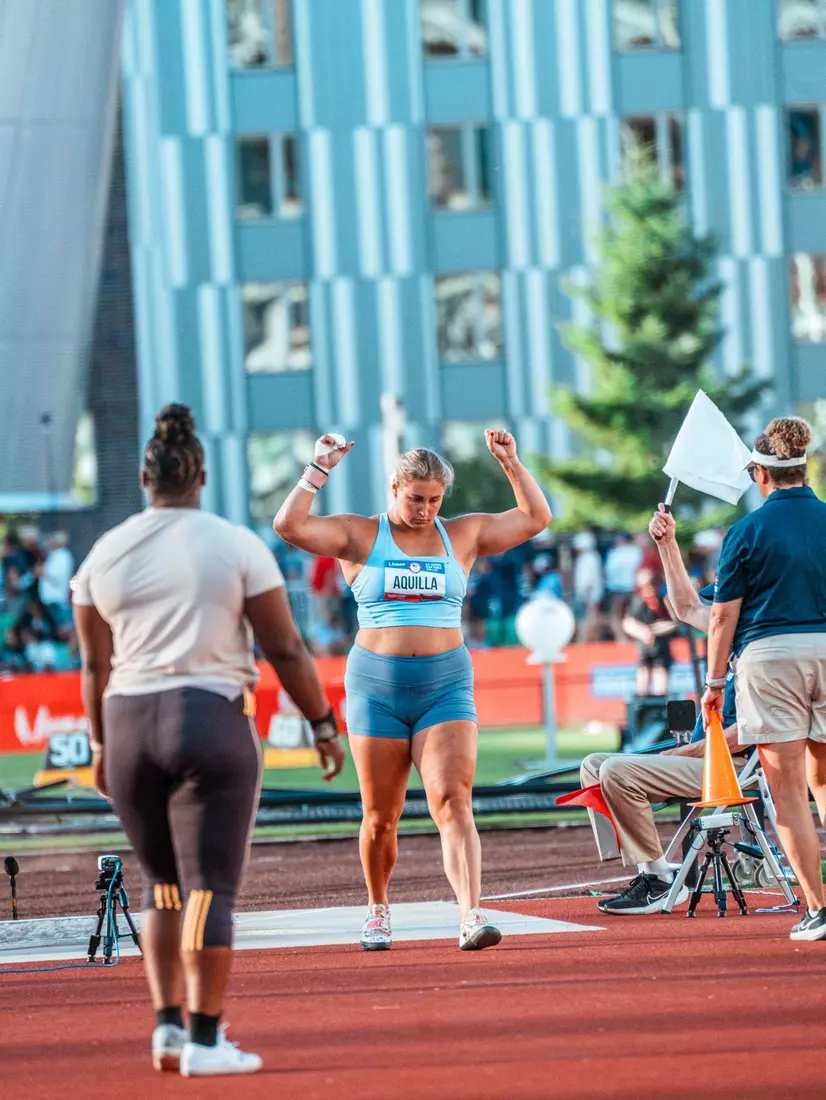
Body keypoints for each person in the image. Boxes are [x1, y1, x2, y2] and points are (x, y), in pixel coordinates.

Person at [72, 405, 345, 1077]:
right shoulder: (235, 544)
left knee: (161, 885)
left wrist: (102, 747)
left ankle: (167, 1030)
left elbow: (92, 668)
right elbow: (283, 645)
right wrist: (321, 723)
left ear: (143, 476)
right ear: (203, 475)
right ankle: (204, 1038)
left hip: (130, 724)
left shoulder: (103, 552)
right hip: (210, 720)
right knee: (208, 890)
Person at [274, 429, 551, 950]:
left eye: (435, 500)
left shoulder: (462, 535)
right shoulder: (360, 535)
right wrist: (319, 469)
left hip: (444, 685)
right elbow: (289, 526)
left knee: (454, 800)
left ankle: (471, 913)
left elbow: (536, 519)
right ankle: (378, 908)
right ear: (394, 487)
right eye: (416, 498)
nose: (425, 509)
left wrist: (511, 463)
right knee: (381, 816)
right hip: (376, 687)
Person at [701, 417, 826, 942]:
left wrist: (712, 682)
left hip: (770, 657)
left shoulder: (746, 531)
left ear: (761, 473)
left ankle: (819, 908)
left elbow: (721, 616)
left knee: (790, 790)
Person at [583, 506, 740, 915]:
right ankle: (654, 869)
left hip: (732, 767)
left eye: (723, 599)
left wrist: (683, 752)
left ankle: (657, 881)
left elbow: (753, 731)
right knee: (593, 764)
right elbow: (685, 607)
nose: (715, 608)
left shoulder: (759, 645)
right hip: (709, 757)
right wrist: (666, 543)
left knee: (616, 770)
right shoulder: (729, 630)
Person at [622, 567, 676, 696]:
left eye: (653, 584)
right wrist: (643, 632)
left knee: (660, 680)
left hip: (661, 647)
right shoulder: (637, 601)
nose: (650, 588)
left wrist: (654, 630)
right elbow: (628, 623)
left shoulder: (663, 600)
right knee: (643, 678)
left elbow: (674, 623)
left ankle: (660, 709)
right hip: (644, 648)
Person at [604, 533, 642, 640]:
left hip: (617, 588)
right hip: (632, 587)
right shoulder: (635, 551)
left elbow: (608, 572)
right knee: (632, 615)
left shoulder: (614, 553)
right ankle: (633, 638)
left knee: (616, 615)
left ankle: (622, 639)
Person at [572, 529, 604, 642]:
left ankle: (583, 643)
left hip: (588, 596)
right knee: (586, 620)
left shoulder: (589, 558)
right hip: (586, 595)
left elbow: (589, 581)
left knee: (587, 621)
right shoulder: (588, 558)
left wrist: (589, 598)